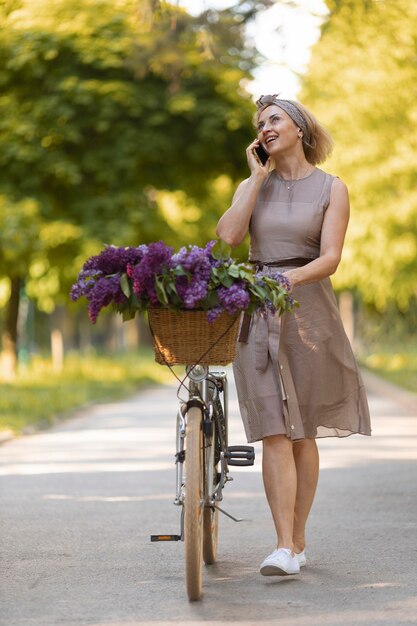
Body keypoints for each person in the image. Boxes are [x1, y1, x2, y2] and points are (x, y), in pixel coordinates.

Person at [216, 94, 371, 577]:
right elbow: (228, 238)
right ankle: (283, 545)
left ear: (299, 129)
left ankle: (298, 539)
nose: (265, 127)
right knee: (273, 431)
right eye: (260, 123)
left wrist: (291, 279)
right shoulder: (253, 183)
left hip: (307, 310)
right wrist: (255, 181)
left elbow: (330, 257)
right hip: (257, 307)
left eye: (274, 119)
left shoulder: (332, 188)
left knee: (302, 433)